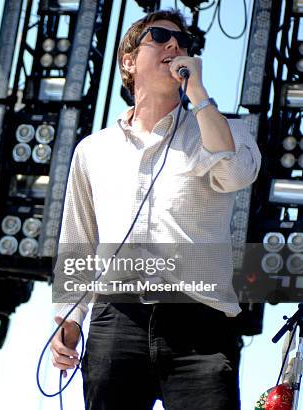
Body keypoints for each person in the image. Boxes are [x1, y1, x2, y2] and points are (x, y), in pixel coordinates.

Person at [51, 9, 261, 410]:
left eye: (183, 42)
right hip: (117, 320)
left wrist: (198, 93)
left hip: (199, 323)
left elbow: (235, 174)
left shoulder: (225, 130)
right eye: (160, 36)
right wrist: (70, 316)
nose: (174, 45)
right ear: (128, 61)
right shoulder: (93, 150)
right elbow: (78, 240)